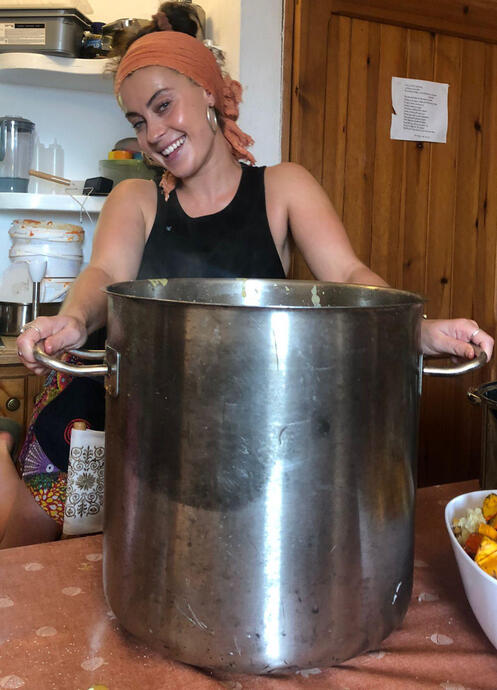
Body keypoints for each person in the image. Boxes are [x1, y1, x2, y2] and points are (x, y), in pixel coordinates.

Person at [3, 29, 493, 549]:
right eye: (139, 122)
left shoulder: (283, 188)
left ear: (209, 91)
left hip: (239, 423)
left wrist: (414, 329)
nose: (154, 133)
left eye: (164, 105)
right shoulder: (136, 199)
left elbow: (349, 276)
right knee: (37, 541)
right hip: (121, 407)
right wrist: (75, 320)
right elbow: (102, 275)